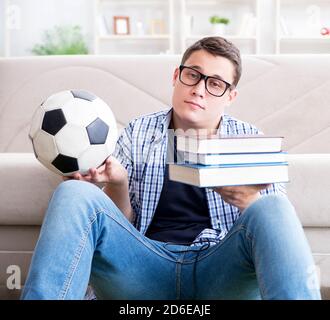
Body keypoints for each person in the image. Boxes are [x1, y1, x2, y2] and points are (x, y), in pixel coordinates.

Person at [21, 37, 320, 300]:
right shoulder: (138, 132)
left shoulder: (250, 139)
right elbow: (118, 229)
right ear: (177, 76)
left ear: (230, 96)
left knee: (274, 207)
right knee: (74, 192)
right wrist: (118, 183)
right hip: (145, 268)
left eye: (215, 84)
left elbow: (277, 230)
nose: (200, 90)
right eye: (193, 75)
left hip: (220, 272)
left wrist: (249, 202)